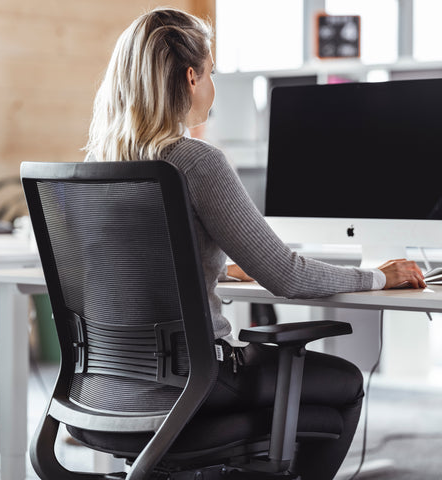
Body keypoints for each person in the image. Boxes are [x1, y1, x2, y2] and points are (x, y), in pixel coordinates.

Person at [84, 8, 426, 479]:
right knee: (344, 383)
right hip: (196, 384)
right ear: (190, 77)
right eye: (211, 74)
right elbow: (286, 274)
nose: (213, 86)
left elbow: (143, 265)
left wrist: (217, 266)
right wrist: (379, 276)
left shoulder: (101, 169)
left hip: (101, 391)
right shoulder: (195, 161)